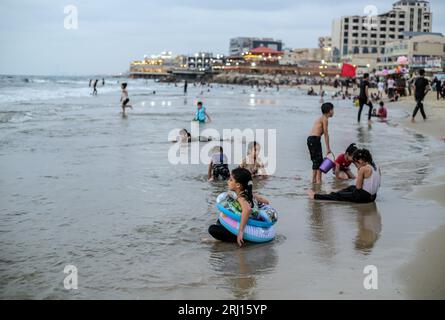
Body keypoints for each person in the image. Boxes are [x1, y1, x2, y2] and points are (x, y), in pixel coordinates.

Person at [208, 168, 270, 246]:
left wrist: (240, 231)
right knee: (221, 219)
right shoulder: (251, 195)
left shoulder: (241, 198)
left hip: (247, 231)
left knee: (213, 229)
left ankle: (240, 240)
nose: (228, 181)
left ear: (238, 185)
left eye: (230, 180)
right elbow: (266, 202)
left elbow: (247, 209)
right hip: (253, 223)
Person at [308, 149, 381, 204]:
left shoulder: (363, 169)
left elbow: (358, 187)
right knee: (351, 187)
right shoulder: (377, 166)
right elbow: (378, 185)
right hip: (373, 197)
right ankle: (336, 192)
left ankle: (315, 196)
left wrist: (359, 171)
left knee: (338, 196)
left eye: (356, 164)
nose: (356, 166)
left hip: (363, 198)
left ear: (360, 161)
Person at [307, 102, 334, 184]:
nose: (333, 112)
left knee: (317, 160)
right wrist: (328, 148)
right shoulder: (325, 119)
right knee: (318, 161)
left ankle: (316, 180)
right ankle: (316, 180)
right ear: (329, 111)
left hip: (311, 139)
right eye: (333, 110)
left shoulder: (321, 118)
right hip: (314, 140)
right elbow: (326, 133)